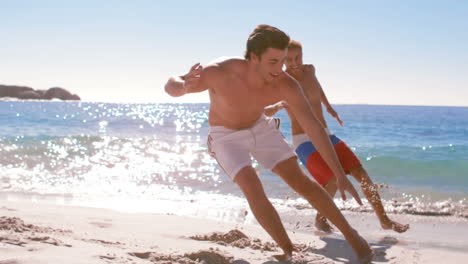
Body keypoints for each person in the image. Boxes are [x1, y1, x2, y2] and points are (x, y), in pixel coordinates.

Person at [165, 25, 373, 262]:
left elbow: (314, 128)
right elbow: (171, 84)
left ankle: (351, 234)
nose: (280, 68)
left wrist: (339, 173)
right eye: (273, 61)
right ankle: (287, 250)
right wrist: (183, 86)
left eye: (282, 61)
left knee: (300, 180)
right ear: (254, 57)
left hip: (261, 128)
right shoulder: (221, 71)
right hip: (225, 136)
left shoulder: (286, 85)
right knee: (252, 186)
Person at [265, 39, 409, 234]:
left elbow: (317, 87)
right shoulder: (283, 82)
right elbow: (264, 105)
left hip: (326, 134)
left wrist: (328, 107)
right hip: (304, 141)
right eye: (288, 59)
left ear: (303, 55)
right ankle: (320, 218)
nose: (294, 62)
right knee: (332, 180)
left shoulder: (310, 71)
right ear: (282, 60)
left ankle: (384, 220)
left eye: (297, 57)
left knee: (360, 173)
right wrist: (272, 109)